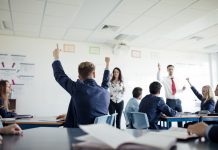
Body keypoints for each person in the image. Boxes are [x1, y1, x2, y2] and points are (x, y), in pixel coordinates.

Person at [52, 47, 110, 127]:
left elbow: (60, 75)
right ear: (94, 74)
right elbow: (105, 83)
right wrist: (107, 65)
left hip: (79, 134)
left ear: (79, 77)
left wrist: (56, 56)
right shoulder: (104, 92)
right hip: (100, 135)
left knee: (75, 96)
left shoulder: (77, 89)